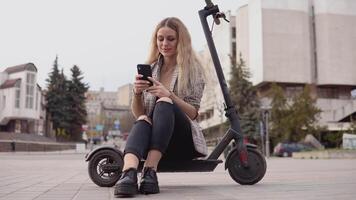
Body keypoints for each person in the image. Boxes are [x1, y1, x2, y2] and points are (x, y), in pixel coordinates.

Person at [114, 17, 207, 197]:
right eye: (160, 38)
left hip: (182, 141)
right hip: (155, 139)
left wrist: (169, 95)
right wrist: (138, 93)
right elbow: (140, 114)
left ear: (181, 41)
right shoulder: (152, 69)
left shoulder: (192, 70)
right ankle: (129, 174)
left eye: (170, 39)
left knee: (164, 102)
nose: (164, 44)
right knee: (142, 119)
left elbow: (194, 113)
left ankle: (150, 170)